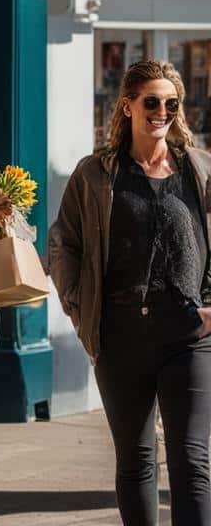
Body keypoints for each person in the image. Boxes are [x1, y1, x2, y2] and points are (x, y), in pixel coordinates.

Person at [49, 60, 211, 526]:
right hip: (121, 335)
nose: (161, 111)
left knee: (191, 461)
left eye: (171, 103)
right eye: (152, 102)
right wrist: (84, 317)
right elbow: (64, 246)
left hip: (189, 337)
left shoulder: (198, 171)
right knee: (136, 460)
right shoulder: (97, 175)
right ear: (128, 106)